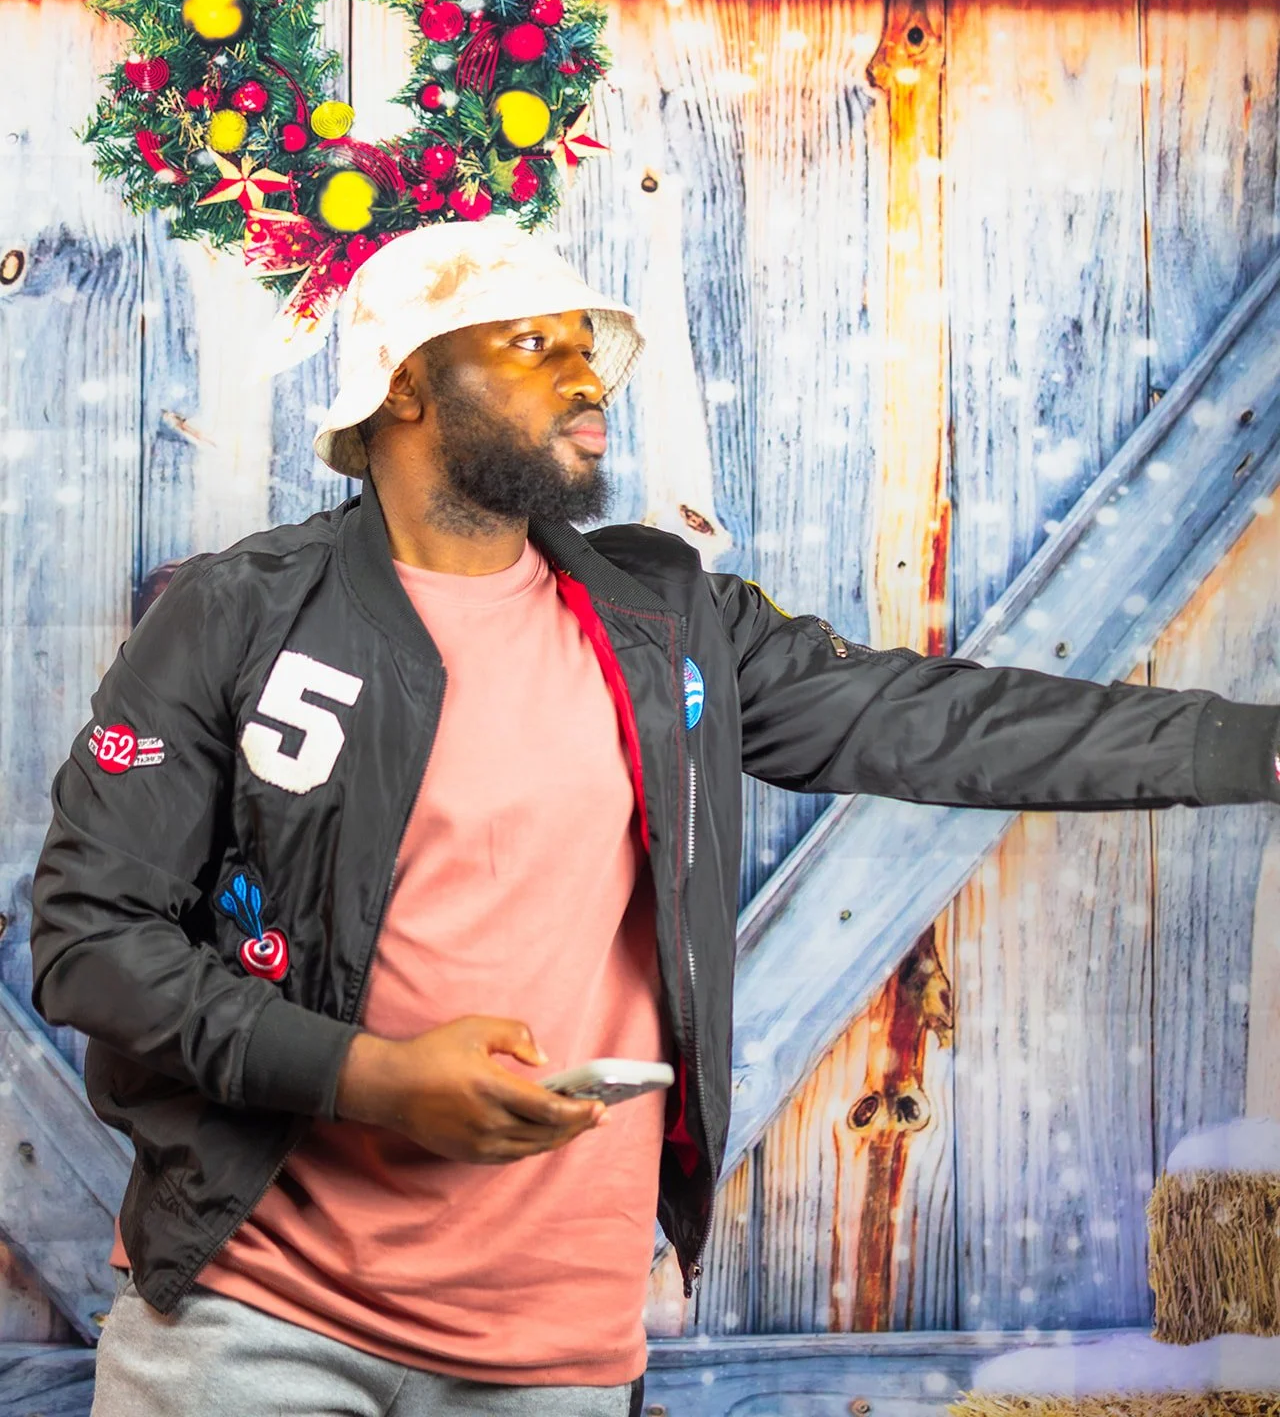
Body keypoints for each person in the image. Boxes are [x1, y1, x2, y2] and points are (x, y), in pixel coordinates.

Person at [30, 215, 1280, 1417]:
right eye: (534, 343)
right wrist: (374, 1079)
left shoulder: (669, 620)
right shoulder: (239, 614)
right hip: (253, 1324)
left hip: (550, 1350)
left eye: (591, 343)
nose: (587, 373)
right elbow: (93, 941)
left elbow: (938, 719)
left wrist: (1255, 747)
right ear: (403, 385)